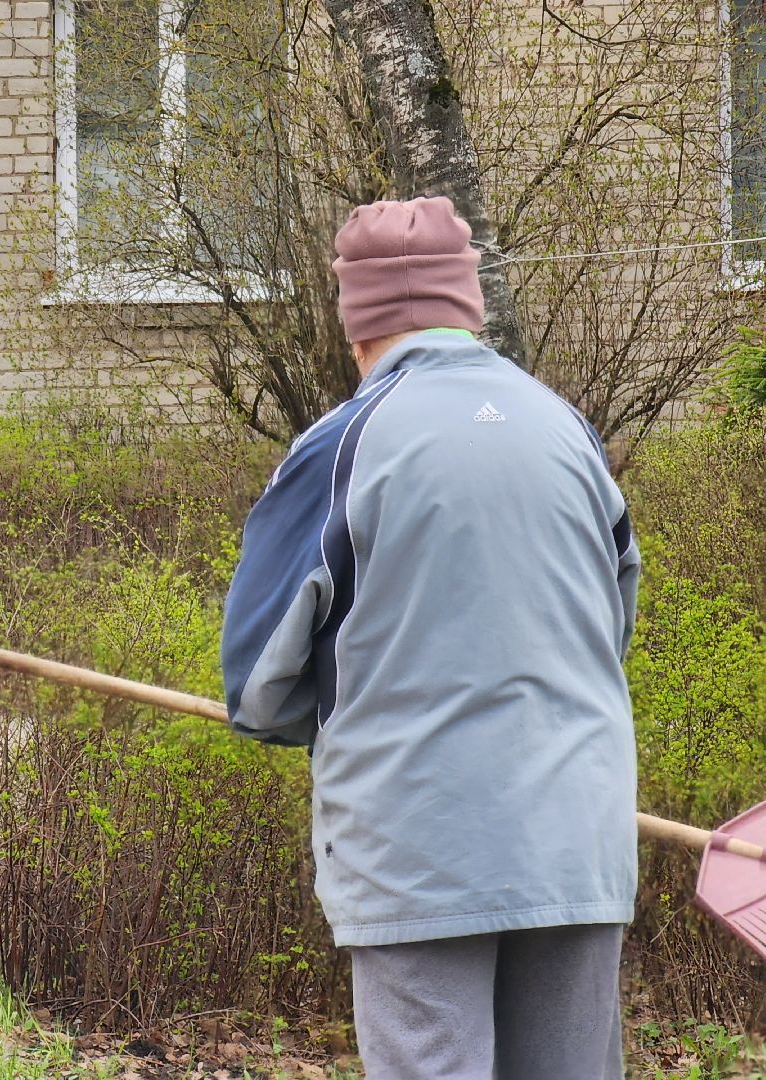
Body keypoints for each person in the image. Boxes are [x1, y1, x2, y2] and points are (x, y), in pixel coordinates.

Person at [220, 196, 639, 1080]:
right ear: (469, 306)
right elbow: (611, 627)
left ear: (357, 327)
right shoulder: (570, 433)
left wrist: (318, 713)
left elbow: (258, 683)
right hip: (575, 841)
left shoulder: (341, 445)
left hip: (420, 850)